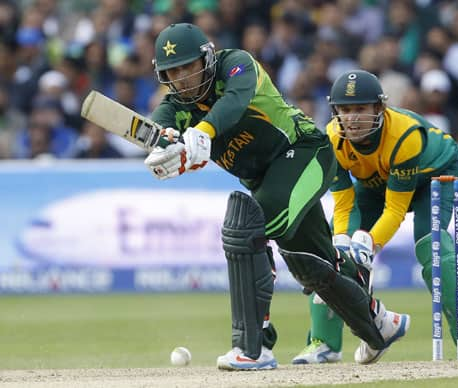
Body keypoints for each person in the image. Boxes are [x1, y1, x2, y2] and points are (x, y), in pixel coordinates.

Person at [142, 23, 410, 371]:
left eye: (188, 67)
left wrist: (203, 131)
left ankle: (254, 348)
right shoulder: (172, 109)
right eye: (172, 72)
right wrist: (170, 155)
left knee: (246, 229)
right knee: (310, 265)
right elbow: (161, 136)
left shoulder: (237, 64)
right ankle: (379, 324)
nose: (182, 79)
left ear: (206, 59)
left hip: (305, 153)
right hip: (266, 180)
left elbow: (235, 102)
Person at [292, 69, 458, 364]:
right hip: (376, 181)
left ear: (379, 108)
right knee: (328, 252)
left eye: (361, 109)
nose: (352, 118)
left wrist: (370, 244)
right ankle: (324, 342)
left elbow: (395, 210)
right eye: (345, 110)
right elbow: (344, 204)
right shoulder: (333, 139)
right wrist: (340, 244)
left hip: (433, 177)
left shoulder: (404, 135)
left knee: (432, 246)